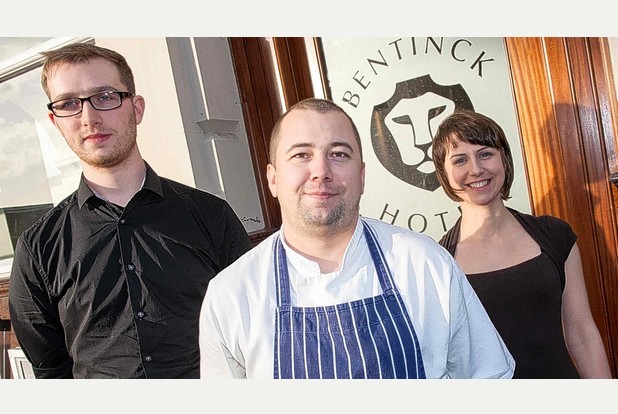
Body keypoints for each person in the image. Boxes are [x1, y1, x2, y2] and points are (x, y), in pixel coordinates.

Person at [198, 97, 515, 379]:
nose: (321, 171)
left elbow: (488, 378)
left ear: (362, 176)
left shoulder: (424, 264)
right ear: (273, 179)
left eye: (338, 154)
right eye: (301, 155)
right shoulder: (232, 294)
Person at [8, 43, 253, 379]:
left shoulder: (210, 216)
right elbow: (52, 371)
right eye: (69, 104)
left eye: (105, 96)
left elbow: (256, 333)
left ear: (136, 108)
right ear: (55, 121)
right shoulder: (38, 249)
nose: (89, 117)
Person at [432, 109, 612, 378]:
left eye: (485, 154)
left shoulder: (554, 235)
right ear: (445, 175)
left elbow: (583, 335)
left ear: (504, 160)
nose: (476, 169)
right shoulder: (439, 262)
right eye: (460, 160)